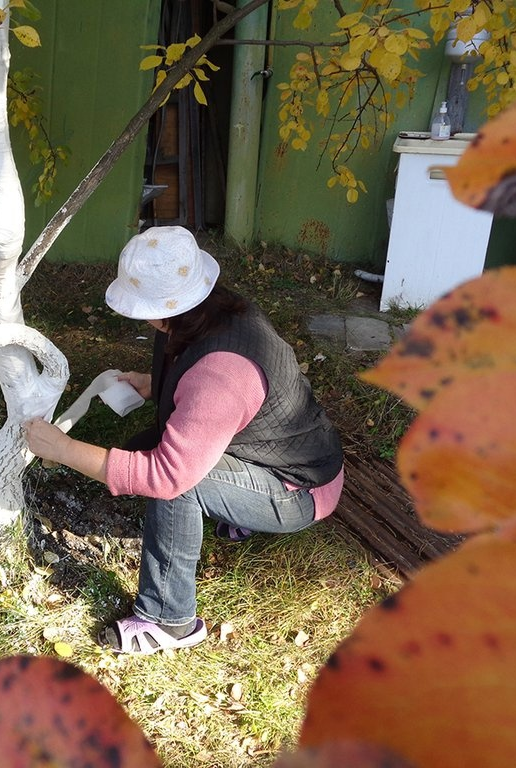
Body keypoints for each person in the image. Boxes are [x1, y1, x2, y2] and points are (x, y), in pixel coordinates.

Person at [24, 226, 345, 656]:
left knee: (178, 483)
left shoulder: (220, 373)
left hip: (300, 490)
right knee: (147, 451)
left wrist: (61, 449)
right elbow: (208, 391)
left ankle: (169, 619)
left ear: (158, 309)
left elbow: (166, 475)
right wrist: (156, 382)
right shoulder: (213, 312)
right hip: (281, 453)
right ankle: (237, 506)